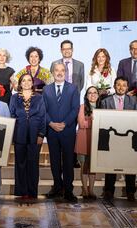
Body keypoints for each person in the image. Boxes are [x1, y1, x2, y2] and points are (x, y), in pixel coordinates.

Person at [43, 62, 80, 203]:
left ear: (66, 72)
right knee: (54, 161)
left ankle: (68, 190)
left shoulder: (73, 89)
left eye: (62, 70)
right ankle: (57, 187)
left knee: (68, 161)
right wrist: (51, 123)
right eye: (56, 70)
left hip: (68, 130)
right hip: (52, 131)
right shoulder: (46, 90)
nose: (59, 73)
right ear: (53, 72)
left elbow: (75, 109)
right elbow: (44, 110)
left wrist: (64, 123)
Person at [101, 76, 137, 202]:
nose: (121, 87)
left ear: (127, 87)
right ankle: (108, 191)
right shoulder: (106, 102)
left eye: (124, 85)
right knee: (110, 165)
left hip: (127, 138)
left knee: (129, 165)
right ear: (114, 86)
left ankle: (130, 192)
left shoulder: (132, 101)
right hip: (112, 138)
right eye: (118, 85)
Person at [10, 73, 46, 199]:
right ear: (20, 83)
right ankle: (21, 191)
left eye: (29, 80)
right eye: (23, 80)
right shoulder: (14, 98)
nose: (26, 82)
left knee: (33, 163)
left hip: (34, 134)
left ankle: (32, 191)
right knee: (20, 163)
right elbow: (12, 116)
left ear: (32, 83)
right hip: (19, 134)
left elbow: (43, 117)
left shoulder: (39, 97)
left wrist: (41, 134)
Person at [50, 40, 84, 169]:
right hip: (57, 104)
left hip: (72, 103)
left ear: (72, 49)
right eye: (64, 49)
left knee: (70, 133)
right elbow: (50, 82)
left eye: (69, 48)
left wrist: (71, 96)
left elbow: (80, 84)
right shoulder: (54, 64)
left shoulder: (80, 65)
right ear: (61, 50)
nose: (67, 51)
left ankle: (72, 159)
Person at [75, 86, 100, 200]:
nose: (92, 95)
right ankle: (84, 189)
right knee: (84, 167)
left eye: (95, 92)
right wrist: (94, 121)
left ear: (98, 95)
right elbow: (81, 123)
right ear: (86, 96)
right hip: (83, 139)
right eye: (90, 93)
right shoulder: (82, 107)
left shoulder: (102, 107)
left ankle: (91, 190)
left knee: (93, 167)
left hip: (96, 140)